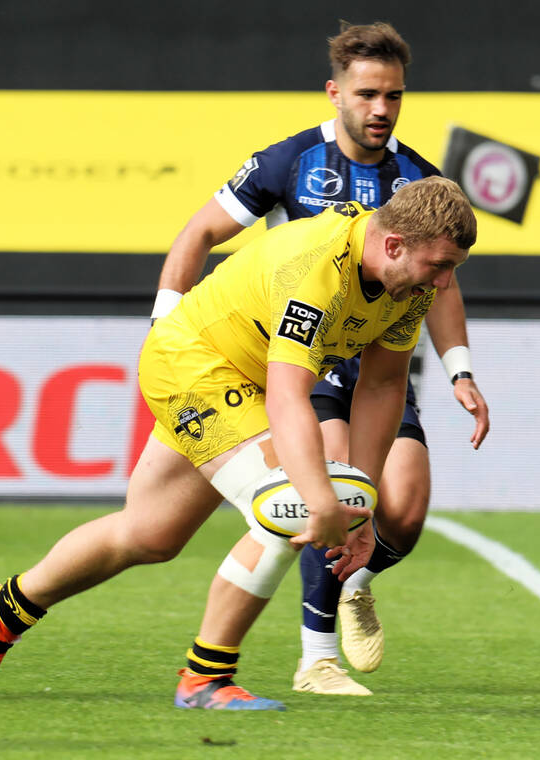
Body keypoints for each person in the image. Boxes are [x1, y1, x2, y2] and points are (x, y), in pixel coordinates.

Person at [0, 176, 478, 711]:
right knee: (289, 505)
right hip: (192, 365)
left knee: (149, 534)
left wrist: (357, 505)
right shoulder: (318, 268)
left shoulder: (409, 286)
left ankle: (1, 610)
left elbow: (383, 386)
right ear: (394, 245)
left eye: (452, 268)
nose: (443, 283)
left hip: (238, 381)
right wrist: (322, 500)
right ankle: (205, 677)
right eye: (439, 266)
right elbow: (288, 395)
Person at [153, 21, 490, 697]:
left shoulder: (420, 181)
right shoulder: (289, 161)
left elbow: (440, 285)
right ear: (336, 92)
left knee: (402, 510)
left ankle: (356, 578)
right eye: (368, 94)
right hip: (302, 357)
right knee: (320, 491)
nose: (382, 108)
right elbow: (201, 231)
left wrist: (459, 366)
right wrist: (165, 321)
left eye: (394, 95)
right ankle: (314, 657)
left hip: (379, 351)